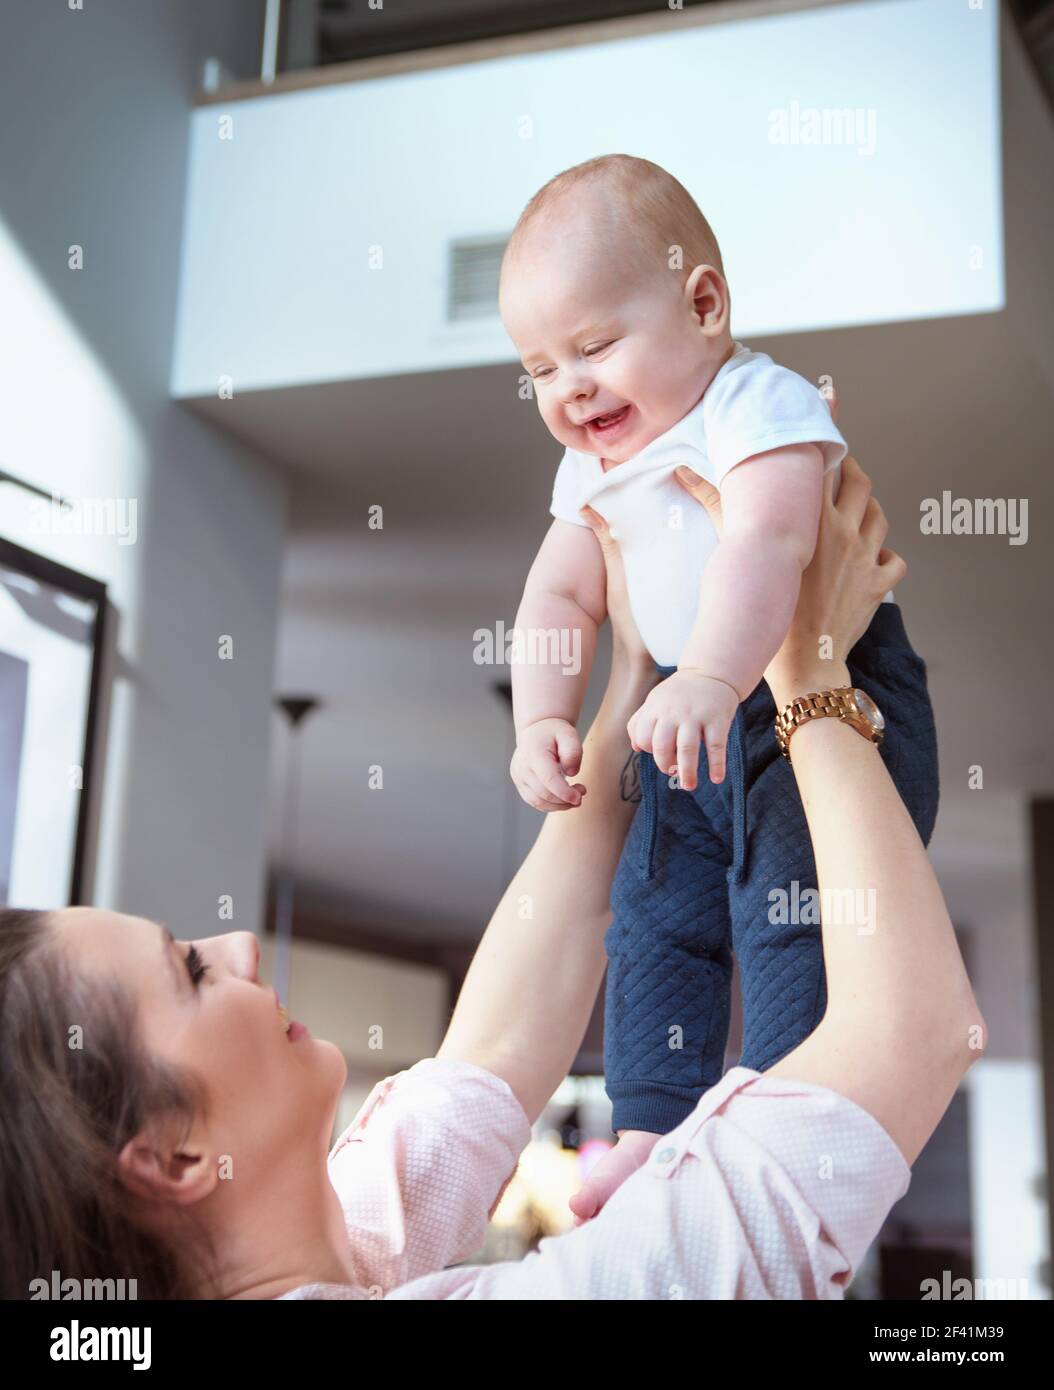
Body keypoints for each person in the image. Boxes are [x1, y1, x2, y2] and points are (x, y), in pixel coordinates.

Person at [0, 458, 982, 1300]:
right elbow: (914, 1036)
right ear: (172, 1158)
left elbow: (492, 1054)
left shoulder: (327, 1240)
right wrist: (805, 666)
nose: (237, 944)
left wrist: (637, 672)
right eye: (190, 970)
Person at [500, 154, 938, 1215]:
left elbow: (774, 541)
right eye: (539, 367)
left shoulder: (755, 400)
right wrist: (542, 716)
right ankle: (651, 1124)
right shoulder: (590, 473)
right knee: (654, 913)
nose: (570, 388)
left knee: (785, 906)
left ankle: (788, 1105)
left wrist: (704, 668)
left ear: (703, 304)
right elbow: (559, 598)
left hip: (821, 704)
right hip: (677, 717)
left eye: (595, 346)